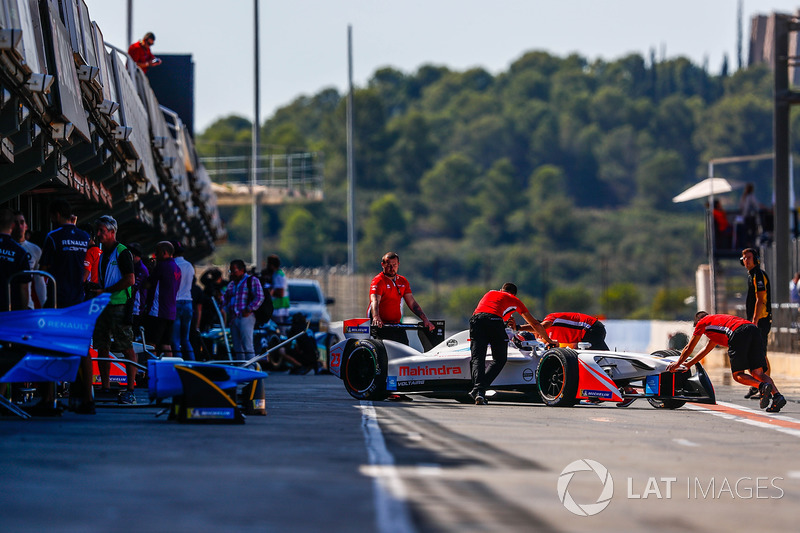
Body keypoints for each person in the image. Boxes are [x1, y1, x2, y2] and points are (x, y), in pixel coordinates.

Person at [667, 311, 786, 413]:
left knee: (738, 375)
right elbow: (706, 350)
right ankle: (777, 397)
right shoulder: (717, 321)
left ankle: (762, 387)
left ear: (698, 322)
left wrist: (677, 364)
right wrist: (688, 364)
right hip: (752, 329)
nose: (703, 334)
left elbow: (689, 347)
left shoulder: (702, 323)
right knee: (758, 373)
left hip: (738, 333)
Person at [469, 283, 555, 405]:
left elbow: (487, 313)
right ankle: (479, 389)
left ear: (501, 290)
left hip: (476, 320)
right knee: (499, 359)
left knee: (478, 358)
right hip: (494, 321)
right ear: (514, 294)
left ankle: (477, 390)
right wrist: (549, 340)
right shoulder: (514, 300)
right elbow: (535, 324)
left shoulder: (490, 293)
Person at [89, 216, 137, 406]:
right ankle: (106, 386)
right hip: (104, 304)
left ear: (112, 232)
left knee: (126, 345)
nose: (98, 234)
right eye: (97, 230)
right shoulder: (102, 253)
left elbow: (130, 279)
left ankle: (131, 389)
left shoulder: (122, 252)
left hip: (118, 304)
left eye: (102, 230)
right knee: (102, 345)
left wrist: (106, 290)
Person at [369, 251, 434, 345]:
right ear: (382, 265)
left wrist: (425, 319)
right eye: (388, 265)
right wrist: (376, 317)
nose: (392, 268)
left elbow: (412, 303)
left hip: (396, 324)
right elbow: (374, 300)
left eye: (394, 265)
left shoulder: (403, 281)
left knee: (404, 350)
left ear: (398, 265)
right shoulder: (378, 281)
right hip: (381, 325)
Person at [40, 199, 90, 308]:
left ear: (57, 215)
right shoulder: (84, 236)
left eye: (51, 217)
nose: (51, 220)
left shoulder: (53, 236)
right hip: (78, 296)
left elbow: (43, 269)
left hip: (58, 297)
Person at [740, 247, 773, 400]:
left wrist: (754, 320)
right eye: (744, 258)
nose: (746, 260)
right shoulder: (751, 275)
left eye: (748, 257)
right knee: (754, 353)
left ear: (756, 259)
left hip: (761, 320)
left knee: (761, 354)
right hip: (755, 321)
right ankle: (757, 385)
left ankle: (766, 387)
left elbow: (760, 300)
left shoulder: (758, 275)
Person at [144, 241, 181, 358]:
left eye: (157, 252)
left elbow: (148, 285)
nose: (155, 255)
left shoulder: (162, 266)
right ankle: (168, 369)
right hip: (171, 312)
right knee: (166, 344)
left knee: (151, 343)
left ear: (165, 253)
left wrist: (150, 271)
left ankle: (151, 371)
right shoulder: (177, 268)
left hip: (157, 311)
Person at [223, 259, 264, 361]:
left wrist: (249, 309)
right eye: (230, 271)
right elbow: (225, 299)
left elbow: (259, 297)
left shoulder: (251, 280)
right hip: (234, 318)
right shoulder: (232, 284)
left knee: (247, 346)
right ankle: (241, 368)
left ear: (242, 270)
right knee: (237, 348)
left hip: (246, 317)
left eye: (234, 271)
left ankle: (251, 367)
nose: (232, 273)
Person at [0, 208, 30, 312]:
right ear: (12, 225)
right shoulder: (20, 252)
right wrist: (24, 310)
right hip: (10, 308)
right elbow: (24, 287)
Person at [12, 211, 44, 308]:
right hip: (6, 305)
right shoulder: (5, 248)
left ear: (26, 226)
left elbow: (40, 281)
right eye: (16, 223)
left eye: (22, 222)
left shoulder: (35, 250)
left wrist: (44, 305)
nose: (19, 226)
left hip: (27, 305)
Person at [171, 242, 196, 360]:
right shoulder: (189, 265)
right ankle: (193, 363)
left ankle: (178, 364)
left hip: (175, 302)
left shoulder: (172, 265)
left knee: (175, 340)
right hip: (188, 303)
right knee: (185, 339)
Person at [537, 312, 610, 350]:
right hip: (584, 336)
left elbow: (540, 327)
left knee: (602, 359)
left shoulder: (549, 319)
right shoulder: (552, 339)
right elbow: (574, 346)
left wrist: (524, 328)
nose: (539, 338)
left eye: (537, 335)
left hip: (590, 328)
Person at [263, 254, 290, 328]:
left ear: (271, 265)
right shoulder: (278, 274)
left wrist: (269, 292)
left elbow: (280, 293)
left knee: (279, 332)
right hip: (279, 309)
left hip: (278, 310)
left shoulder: (278, 276)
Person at [127, 242, 149, 333]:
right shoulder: (133, 266)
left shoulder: (141, 269)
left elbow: (133, 287)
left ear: (133, 254)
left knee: (132, 331)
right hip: (130, 305)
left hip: (136, 308)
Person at [738, 183, 761, 248]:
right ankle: (752, 244)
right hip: (751, 217)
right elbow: (756, 205)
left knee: (745, 231)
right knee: (752, 232)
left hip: (744, 217)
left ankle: (746, 244)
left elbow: (741, 206)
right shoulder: (750, 196)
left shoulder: (744, 197)